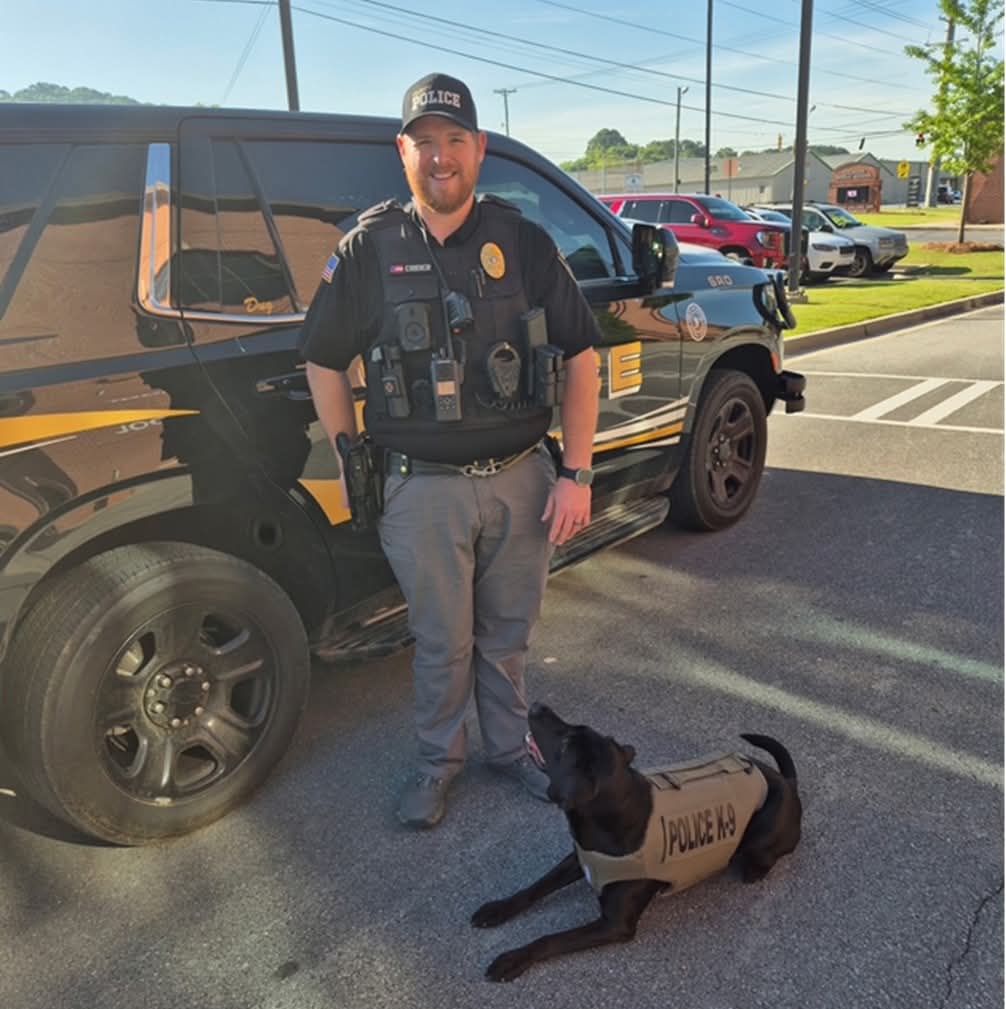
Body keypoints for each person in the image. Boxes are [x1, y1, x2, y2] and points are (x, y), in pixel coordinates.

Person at [301, 72, 600, 829]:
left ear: (480, 148)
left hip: (523, 480)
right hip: (419, 487)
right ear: (403, 152)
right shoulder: (369, 247)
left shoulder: (524, 240)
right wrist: (348, 455)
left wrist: (577, 472)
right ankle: (439, 760)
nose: (441, 158)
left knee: (508, 632)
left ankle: (509, 748)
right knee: (441, 640)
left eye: (454, 141)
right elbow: (324, 357)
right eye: (425, 143)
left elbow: (584, 355)